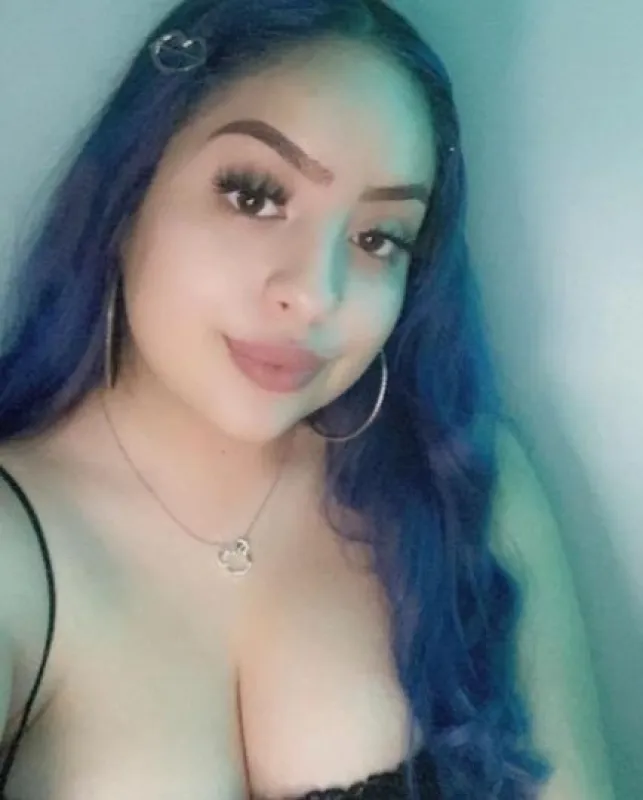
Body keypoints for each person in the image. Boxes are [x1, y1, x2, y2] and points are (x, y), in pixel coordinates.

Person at [0, 0, 614, 798]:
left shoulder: (457, 489)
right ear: (127, 197)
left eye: (377, 238)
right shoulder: (17, 548)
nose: (317, 294)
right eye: (254, 196)